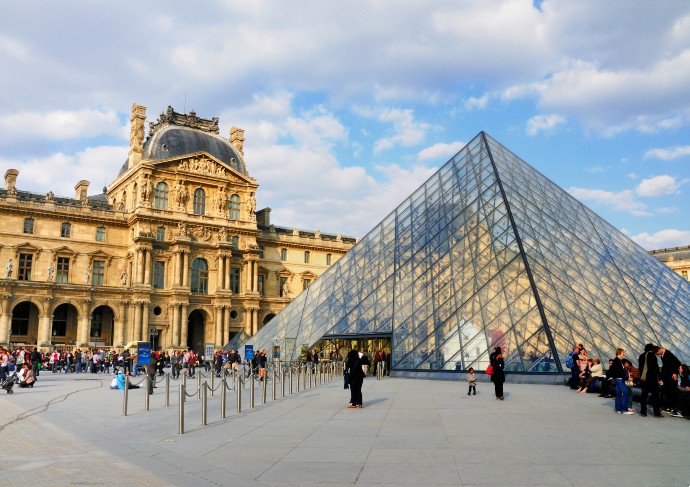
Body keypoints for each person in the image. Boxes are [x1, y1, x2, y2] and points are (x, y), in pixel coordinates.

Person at [656, 346, 682, 416]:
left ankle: (675, 407)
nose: (657, 354)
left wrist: (675, 373)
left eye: (657, 352)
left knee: (672, 390)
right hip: (667, 375)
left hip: (671, 375)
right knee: (667, 390)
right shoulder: (663, 355)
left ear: (660, 349)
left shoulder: (668, 354)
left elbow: (677, 363)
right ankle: (669, 406)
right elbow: (665, 366)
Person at [638, 344, 662, 417]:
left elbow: (640, 368)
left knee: (644, 395)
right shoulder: (653, 356)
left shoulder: (641, 356)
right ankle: (657, 413)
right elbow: (656, 368)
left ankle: (643, 412)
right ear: (652, 349)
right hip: (652, 379)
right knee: (655, 396)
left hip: (644, 379)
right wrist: (660, 377)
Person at [609, 348, 634, 415]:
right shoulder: (617, 361)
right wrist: (626, 378)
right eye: (623, 352)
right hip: (620, 379)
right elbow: (619, 371)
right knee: (626, 392)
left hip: (618, 379)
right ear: (619, 352)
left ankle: (618, 409)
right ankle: (624, 409)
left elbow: (614, 371)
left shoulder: (617, 360)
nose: (624, 353)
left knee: (618, 394)